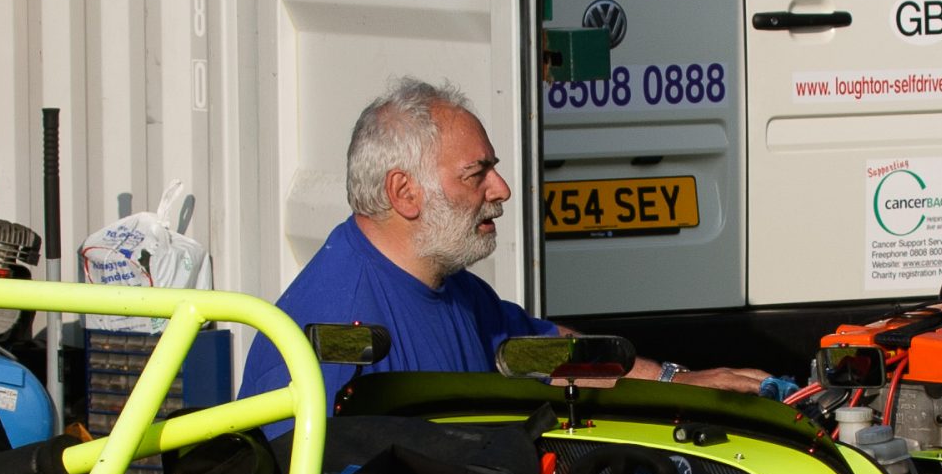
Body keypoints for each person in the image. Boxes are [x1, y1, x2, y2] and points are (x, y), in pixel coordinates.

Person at [240, 78, 768, 402]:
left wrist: (677, 383)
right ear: (404, 192)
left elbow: (544, 354)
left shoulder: (453, 291)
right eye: (477, 174)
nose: (503, 189)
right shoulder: (330, 329)